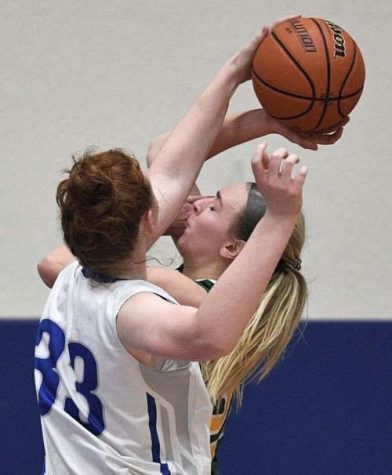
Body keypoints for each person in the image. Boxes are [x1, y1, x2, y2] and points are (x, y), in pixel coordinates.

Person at [34, 21, 308, 475]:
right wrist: (279, 211)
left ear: (232, 248)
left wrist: (240, 78)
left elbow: (167, 163)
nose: (195, 201)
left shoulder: (78, 282)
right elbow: (168, 162)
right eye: (206, 200)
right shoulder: (153, 301)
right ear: (148, 220)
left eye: (213, 206)